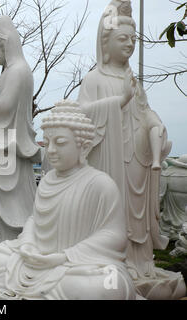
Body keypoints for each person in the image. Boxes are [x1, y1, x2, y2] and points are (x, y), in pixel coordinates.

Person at [0, 102, 136, 300]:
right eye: (47, 143)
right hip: (34, 260)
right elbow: (34, 220)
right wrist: (28, 244)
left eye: (60, 143)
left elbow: (114, 235)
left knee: (106, 287)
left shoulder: (100, 184)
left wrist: (65, 256)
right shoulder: (46, 181)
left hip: (77, 264)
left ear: (85, 147)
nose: (51, 150)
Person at [77, 0, 185, 299]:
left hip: (138, 159)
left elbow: (146, 111)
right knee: (115, 212)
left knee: (136, 219)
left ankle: (140, 263)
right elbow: (82, 117)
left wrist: (156, 126)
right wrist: (118, 101)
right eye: (122, 39)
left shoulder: (134, 82)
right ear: (105, 42)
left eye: (133, 40)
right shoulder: (94, 79)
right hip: (110, 160)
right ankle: (114, 262)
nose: (130, 45)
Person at [0, 16, 41, 242]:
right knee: (2, 192)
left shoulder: (18, 70)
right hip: (2, 141)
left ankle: (15, 234)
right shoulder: (10, 71)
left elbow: (6, 105)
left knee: (12, 190)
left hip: (11, 142)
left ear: (4, 45)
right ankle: (3, 232)